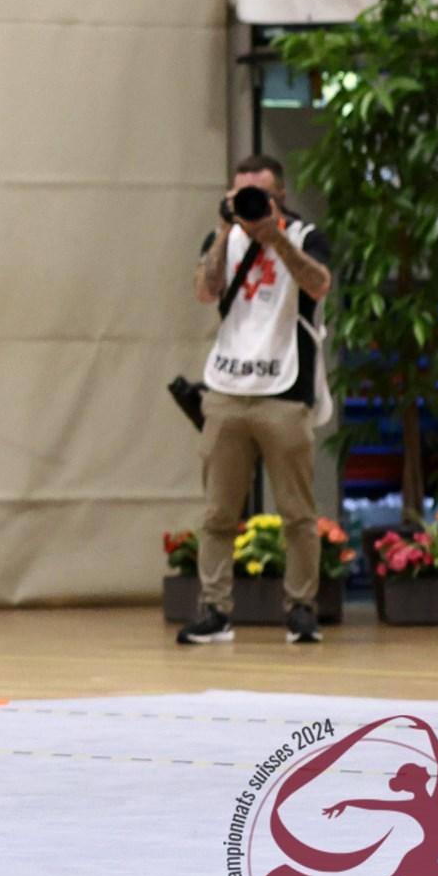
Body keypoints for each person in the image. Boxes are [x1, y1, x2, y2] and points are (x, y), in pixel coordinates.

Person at [179, 153, 334, 648]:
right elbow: (205, 292)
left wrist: (275, 238)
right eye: (240, 193)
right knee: (218, 512)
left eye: (259, 194)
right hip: (227, 388)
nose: (249, 202)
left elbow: (319, 284)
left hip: (284, 390)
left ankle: (302, 608)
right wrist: (227, 229)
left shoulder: (305, 236)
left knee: (298, 513)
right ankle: (214, 610)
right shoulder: (223, 238)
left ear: (280, 196)